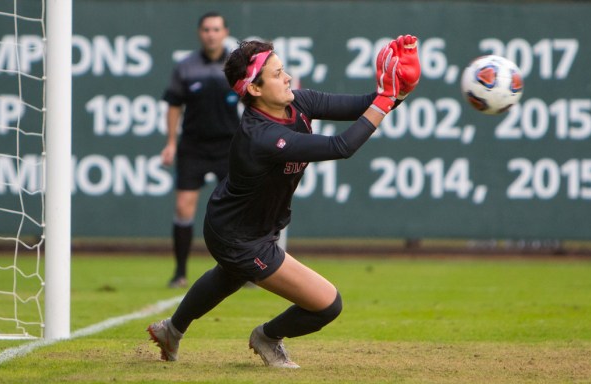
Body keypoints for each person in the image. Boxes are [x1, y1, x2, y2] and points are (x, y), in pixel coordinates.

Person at [148, 35, 421, 368]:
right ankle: (267, 336)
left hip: (245, 226)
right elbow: (341, 147)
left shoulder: (298, 103)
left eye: (283, 69)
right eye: (277, 74)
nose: (288, 77)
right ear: (255, 90)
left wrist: (400, 90)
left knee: (229, 276)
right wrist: (386, 98)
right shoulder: (261, 136)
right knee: (327, 304)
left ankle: (171, 330)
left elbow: (363, 106)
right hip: (238, 237)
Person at [160, 12, 240, 289]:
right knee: (183, 207)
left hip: (229, 145)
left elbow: (256, 100)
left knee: (237, 211)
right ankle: (180, 272)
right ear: (199, 33)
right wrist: (171, 142)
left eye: (216, 29)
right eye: (206, 29)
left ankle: (243, 269)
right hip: (193, 145)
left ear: (225, 32)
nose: (211, 34)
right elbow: (173, 105)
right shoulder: (186, 66)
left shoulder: (236, 65)